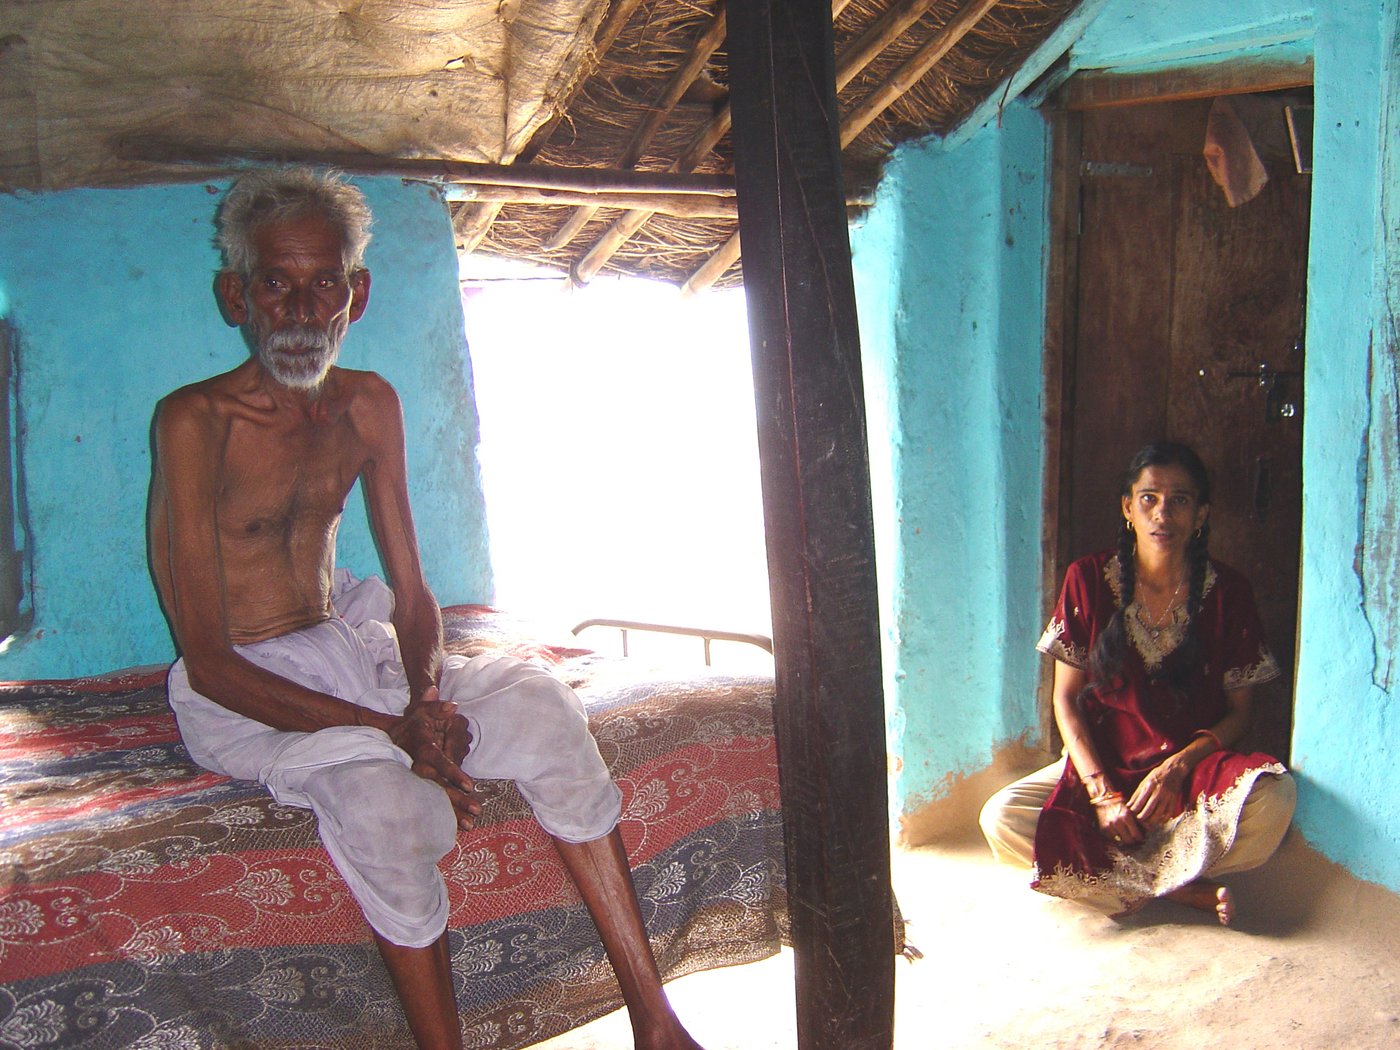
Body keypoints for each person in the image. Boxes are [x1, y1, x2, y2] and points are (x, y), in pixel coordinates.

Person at [147, 166, 703, 1050]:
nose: (301, 310)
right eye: (276, 284)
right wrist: (389, 730)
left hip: (347, 640)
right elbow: (210, 663)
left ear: (356, 295)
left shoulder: (367, 404)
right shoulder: (194, 422)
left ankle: (655, 1016)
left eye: (324, 282)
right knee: (386, 810)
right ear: (235, 297)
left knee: (540, 704)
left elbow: (412, 594)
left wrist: (426, 700)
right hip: (245, 688)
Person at [979, 442, 1296, 924]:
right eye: (1149, 498)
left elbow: (1240, 715)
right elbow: (1065, 700)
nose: (1162, 513)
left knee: (1275, 801)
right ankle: (1181, 891)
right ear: (1128, 507)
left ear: (1201, 514)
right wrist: (1103, 796)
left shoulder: (1229, 592)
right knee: (1002, 820)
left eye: (1180, 500)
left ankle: (1121, 878)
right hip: (1105, 763)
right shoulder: (1086, 578)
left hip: (1187, 775)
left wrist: (1177, 769)